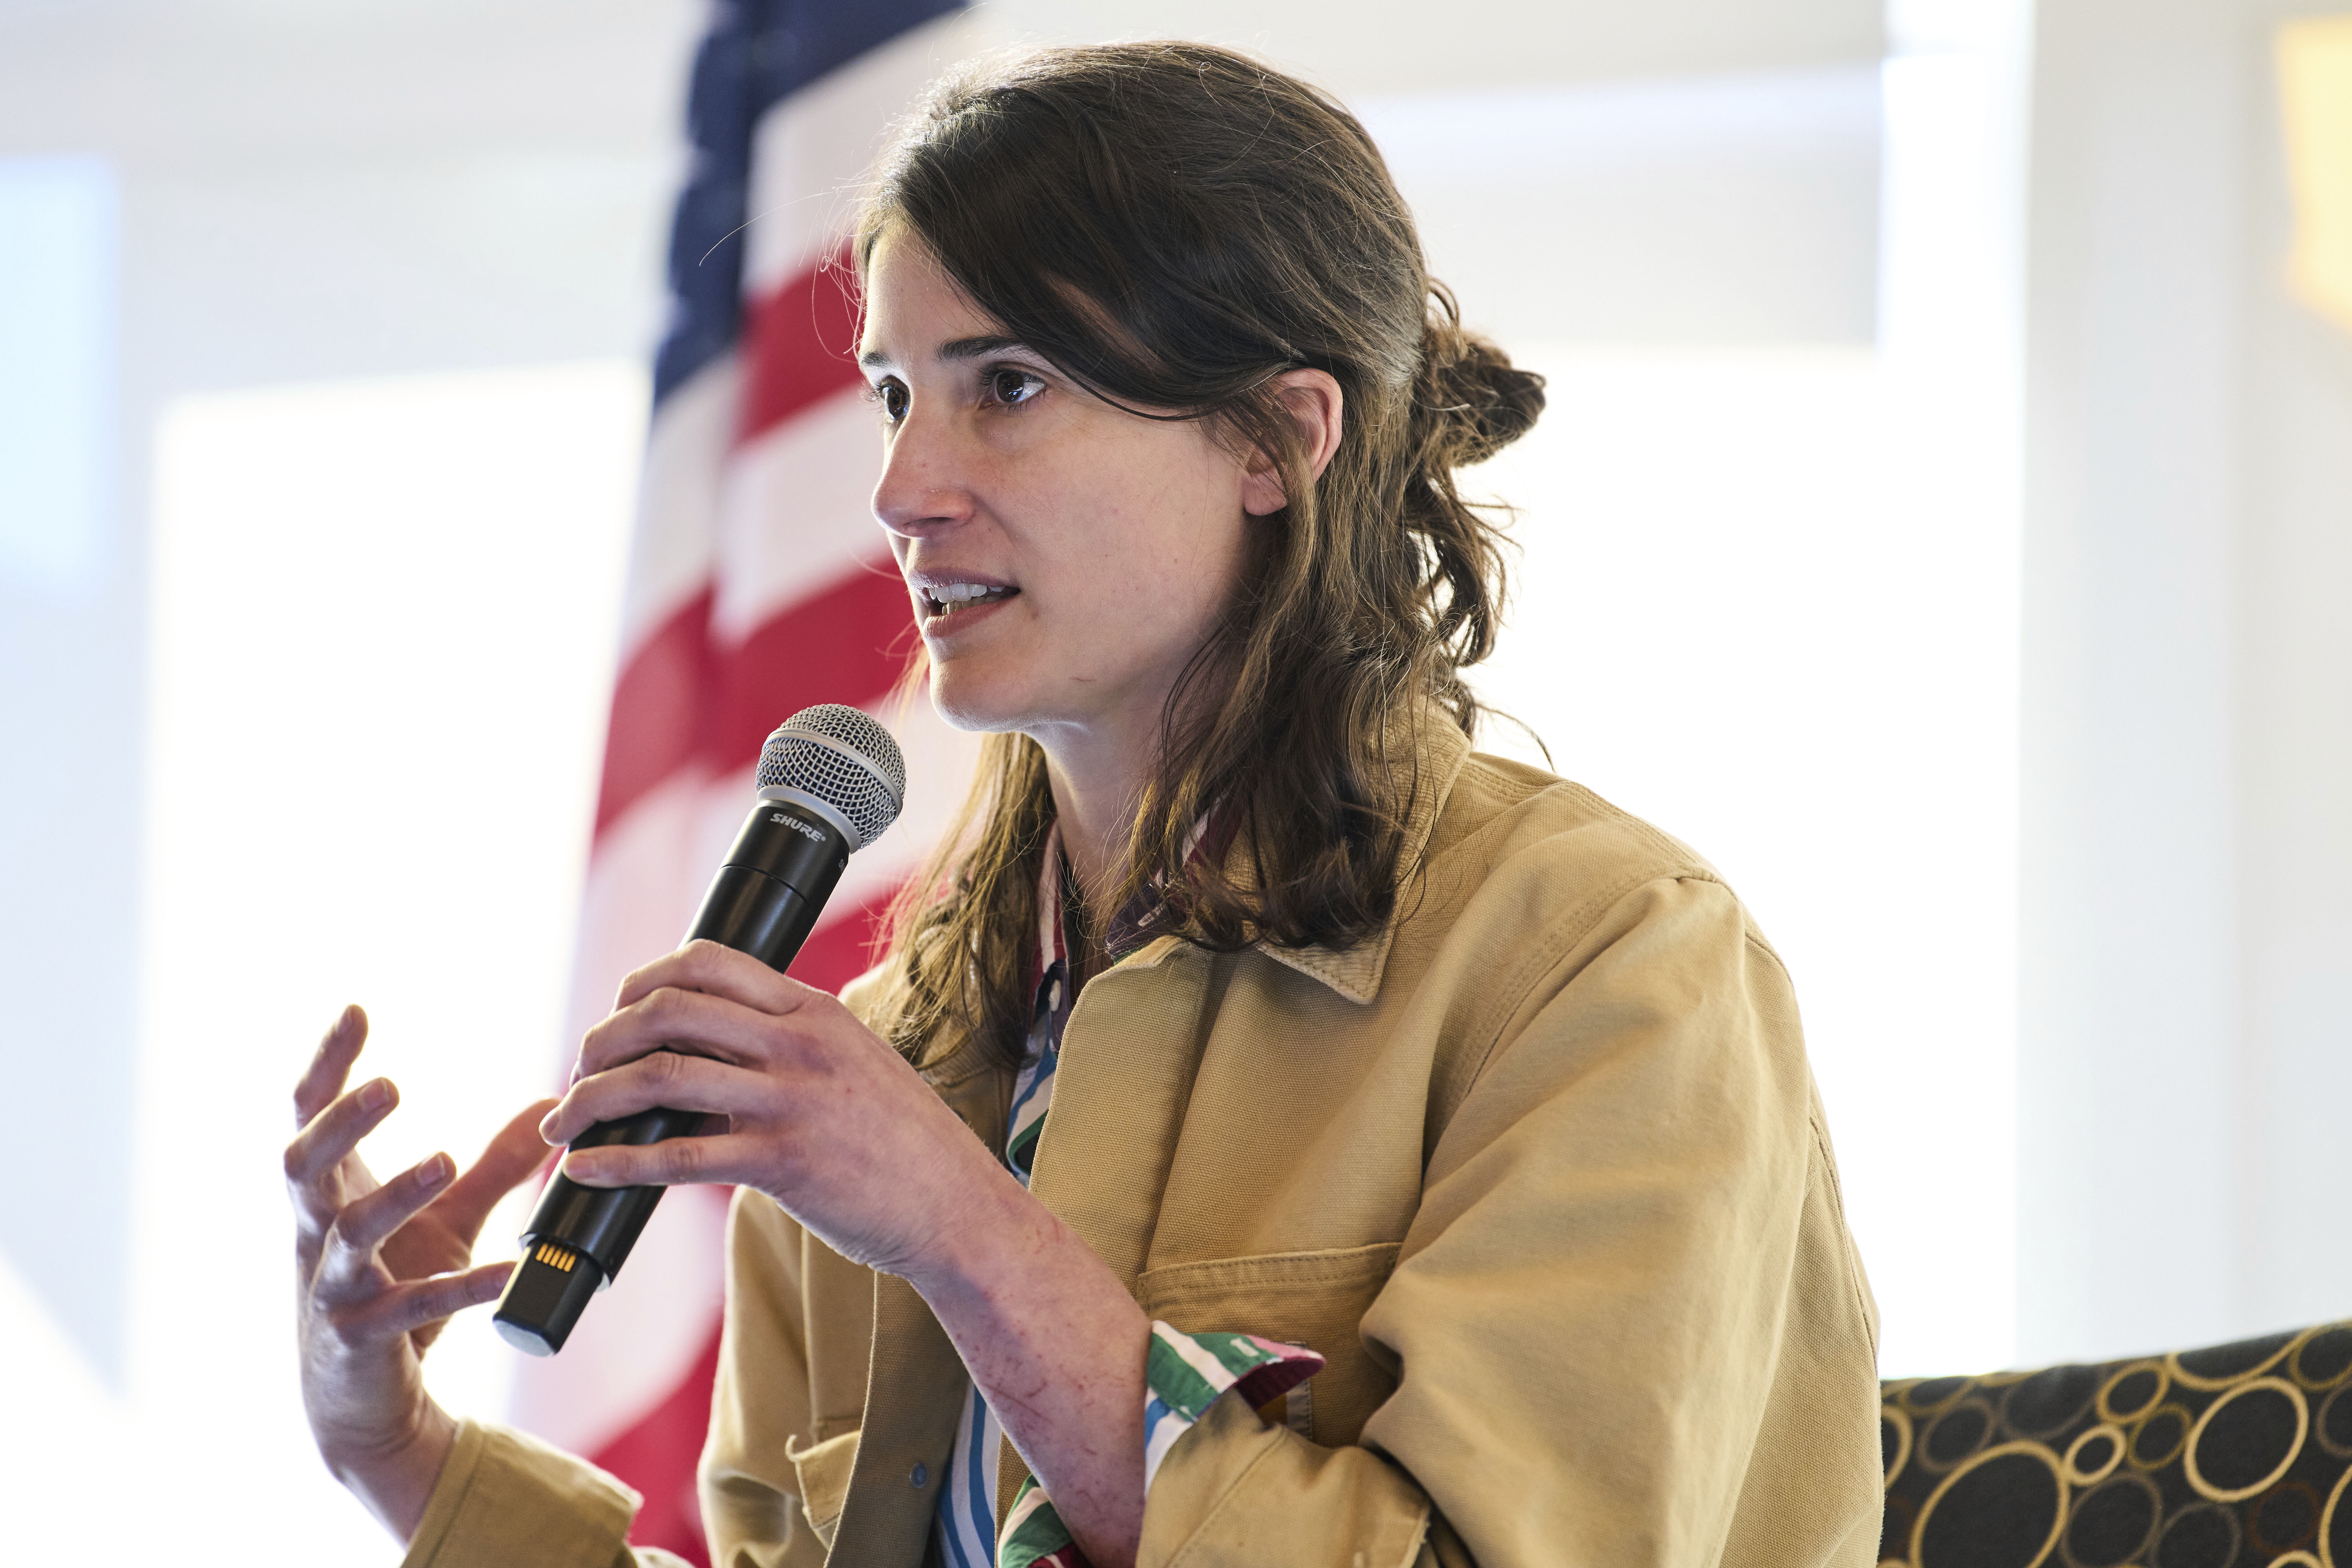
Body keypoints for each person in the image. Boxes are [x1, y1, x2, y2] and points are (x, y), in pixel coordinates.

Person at [284, 40, 1884, 1568]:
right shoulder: (894, 1047)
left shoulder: (1610, 970)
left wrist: (964, 1229)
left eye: (1014, 385)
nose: (905, 491)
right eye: (898, 394)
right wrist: (396, 1443)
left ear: (1276, 436)